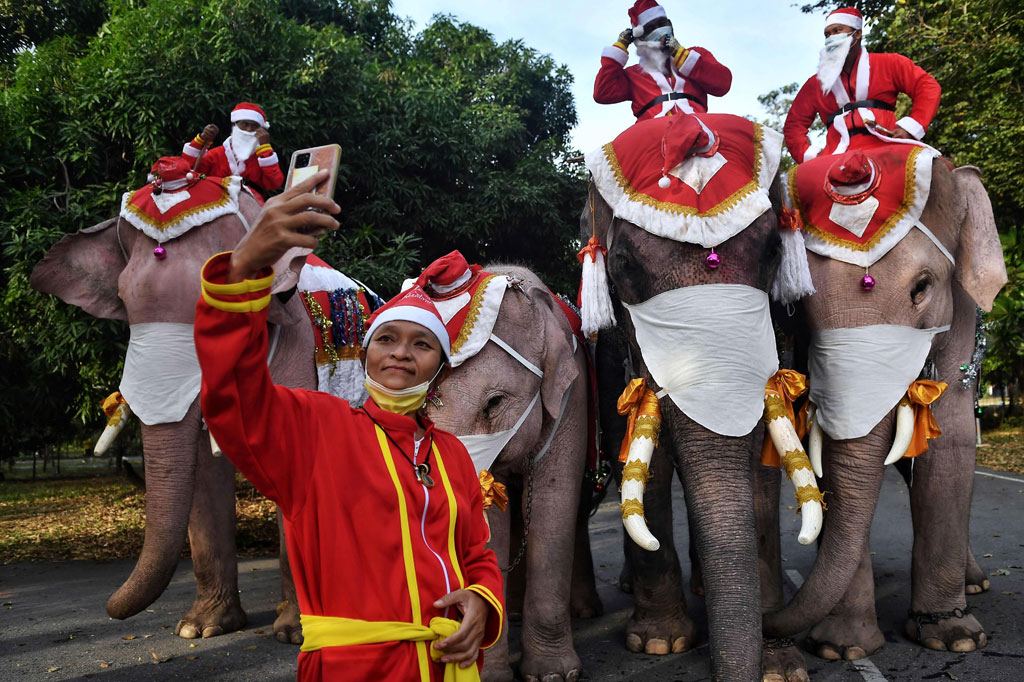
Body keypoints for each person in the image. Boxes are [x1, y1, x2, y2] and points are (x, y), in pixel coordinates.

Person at [193, 170, 504, 681]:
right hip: (352, 668)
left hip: (450, 667)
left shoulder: (451, 454)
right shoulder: (317, 427)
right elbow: (234, 396)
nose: (401, 352)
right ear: (365, 352)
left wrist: (481, 601)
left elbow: (475, 552)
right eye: (387, 339)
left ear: (440, 366)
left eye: (421, 344)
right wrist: (245, 266)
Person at [783, 6, 941, 163]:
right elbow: (793, 125)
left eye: (837, 31)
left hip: (887, 144)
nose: (831, 37)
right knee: (802, 180)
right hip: (834, 154)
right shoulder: (815, 84)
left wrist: (909, 129)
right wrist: (810, 155)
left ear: (857, 33)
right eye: (827, 34)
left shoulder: (890, 63)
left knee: (934, 170)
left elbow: (927, 87)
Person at [594, 0, 732, 122]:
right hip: (652, 136)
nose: (659, 30)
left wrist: (680, 54)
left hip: (699, 127)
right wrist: (620, 45)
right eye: (650, 29)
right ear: (641, 39)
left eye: (661, 24)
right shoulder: (634, 74)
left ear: (670, 25)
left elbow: (723, 84)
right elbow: (602, 93)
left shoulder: (696, 55)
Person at [182, 102, 284, 200]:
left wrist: (265, 148)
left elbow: (274, 184)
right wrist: (202, 140)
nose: (249, 129)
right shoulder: (217, 154)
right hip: (215, 206)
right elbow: (190, 171)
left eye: (254, 126)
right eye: (245, 124)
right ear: (234, 125)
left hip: (252, 206)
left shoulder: (262, 156)